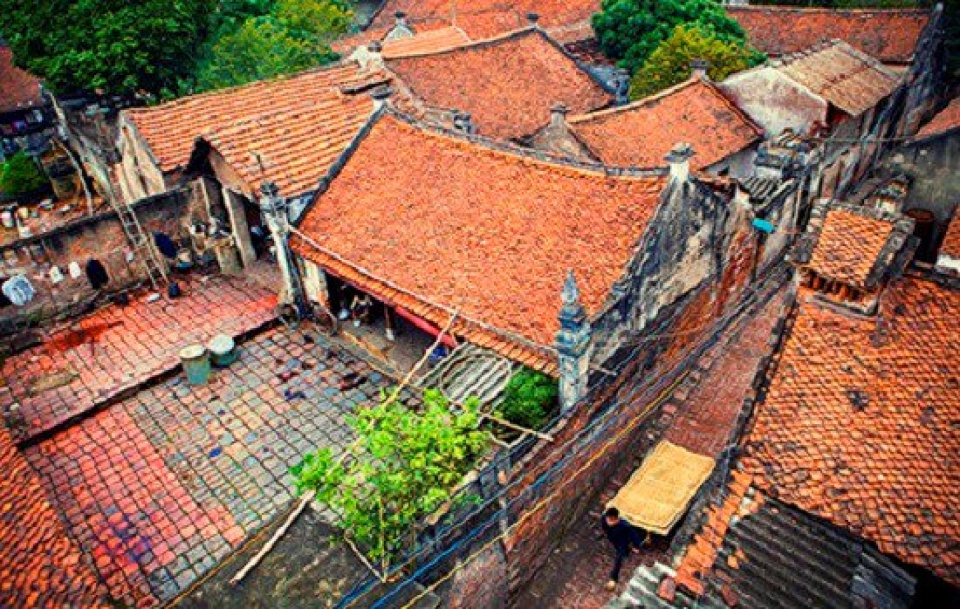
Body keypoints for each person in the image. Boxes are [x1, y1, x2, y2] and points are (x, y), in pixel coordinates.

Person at [601, 506, 645, 590]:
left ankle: (613, 579)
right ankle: (627, 550)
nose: (608, 522)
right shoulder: (604, 518)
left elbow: (634, 536)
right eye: (607, 519)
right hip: (612, 538)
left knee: (619, 557)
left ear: (616, 519)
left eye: (610, 520)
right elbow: (604, 527)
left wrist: (637, 546)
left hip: (622, 540)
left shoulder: (625, 526)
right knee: (619, 549)